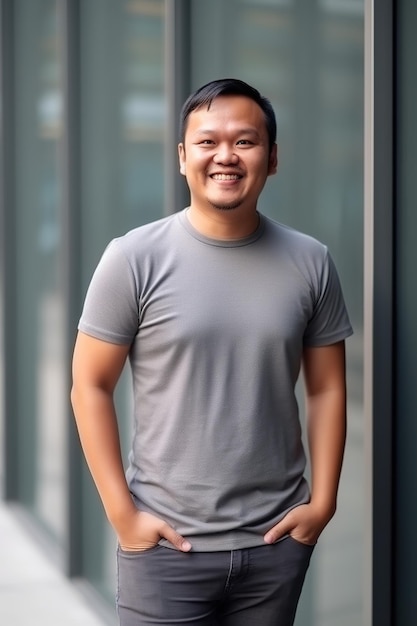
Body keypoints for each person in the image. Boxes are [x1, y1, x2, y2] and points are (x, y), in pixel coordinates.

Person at [71, 78, 353, 626]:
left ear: (272, 158)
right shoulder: (132, 258)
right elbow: (89, 386)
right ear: (182, 158)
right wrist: (123, 515)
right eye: (207, 142)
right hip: (167, 549)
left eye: (245, 142)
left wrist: (323, 502)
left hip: (276, 544)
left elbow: (327, 388)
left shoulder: (311, 261)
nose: (225, 155)